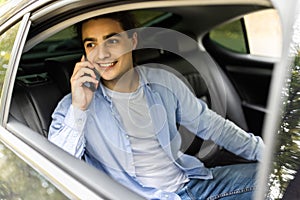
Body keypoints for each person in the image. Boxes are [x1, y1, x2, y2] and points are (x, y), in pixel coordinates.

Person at [48, 12, 264, 200]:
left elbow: (214, 126)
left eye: (111, 41)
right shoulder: (73, 106)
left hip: (194, 184)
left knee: (280, 176)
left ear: (132, 42)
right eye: (91, 44)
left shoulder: (164, 80)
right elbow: (56, 170)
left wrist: (265, 152)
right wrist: (79, 108)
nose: (102, 54)